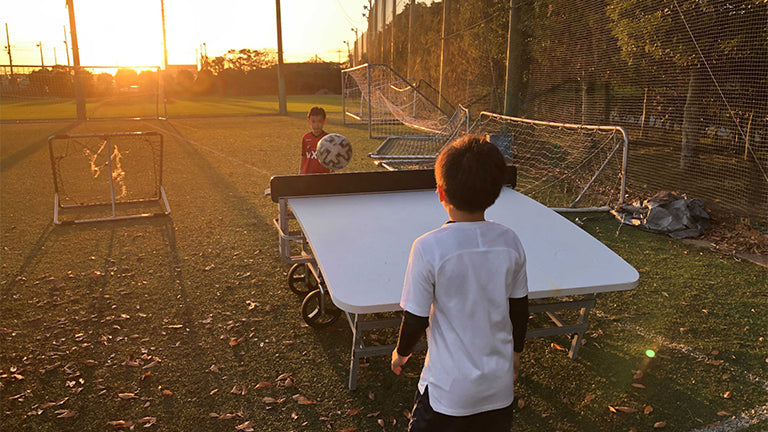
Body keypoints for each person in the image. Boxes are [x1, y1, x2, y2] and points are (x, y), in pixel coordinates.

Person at [391, 135, 529, 432]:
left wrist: (401, 353)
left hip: (446, 392)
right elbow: (519, 308)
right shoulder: (510, 241)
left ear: (441, 192)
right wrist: (515, 353)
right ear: (497, 192)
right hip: (498, 390)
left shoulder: (428, 247)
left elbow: (415, 317)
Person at [300, 106, 331, 174]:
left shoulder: (328, 138)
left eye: (319, 121)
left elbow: (331, 156)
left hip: (324, 173)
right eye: (313, 121)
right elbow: (303, 155)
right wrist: (301, 170)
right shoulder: (305, 137)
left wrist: (332, 170)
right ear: (309, 121)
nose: (316, 125)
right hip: (308, 173)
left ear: (324, 121)